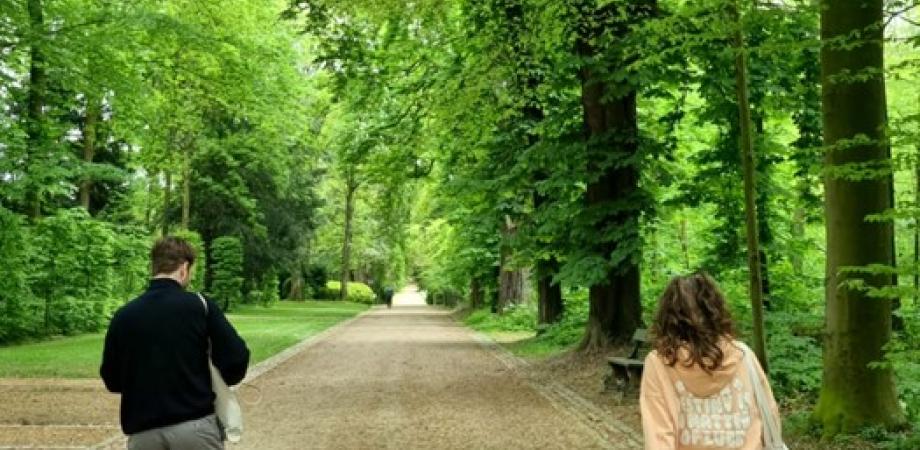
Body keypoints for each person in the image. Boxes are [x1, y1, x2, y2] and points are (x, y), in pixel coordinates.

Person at [100, 236, 250, 449]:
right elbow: (236, 358)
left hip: (143, 434)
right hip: (195, 427)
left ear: (154, 267)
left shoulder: (124, 316)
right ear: (184, 268)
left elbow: (112, 380)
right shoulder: (200, 306)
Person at [640, 272, 781, 450]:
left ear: (668, 317)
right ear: (715, 310)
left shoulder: (660, 363)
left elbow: (659, 437)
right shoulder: (744, 356)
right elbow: (770, 417)